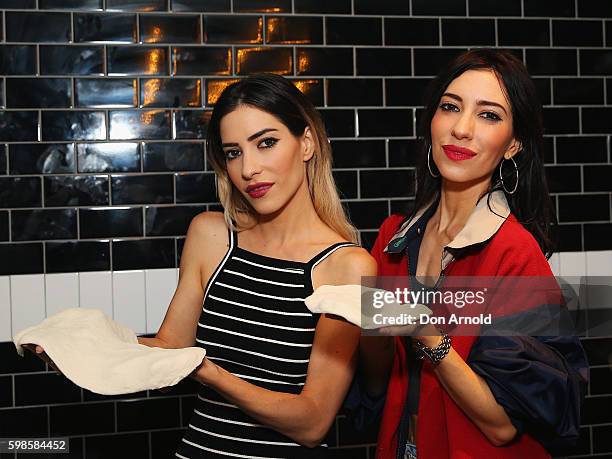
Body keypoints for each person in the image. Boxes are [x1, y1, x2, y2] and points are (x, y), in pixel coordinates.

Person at [350, 49, 588, 459]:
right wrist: (363, 324)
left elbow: (500, 427)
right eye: (450, 107)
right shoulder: (393, 238)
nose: (461, 129)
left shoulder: (514, 252)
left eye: (488, 115)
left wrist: (425, 332)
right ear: (431, 121)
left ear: (513, 144)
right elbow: (376, 382)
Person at [137, 74, 376, 458]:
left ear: (307, 144)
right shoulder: (211, 236)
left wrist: (210, 373)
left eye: (266, 143)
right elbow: (168, 349)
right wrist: (87, 349)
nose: (249, 169)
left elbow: (313, 423)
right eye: (234, 152)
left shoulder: (345, 267)